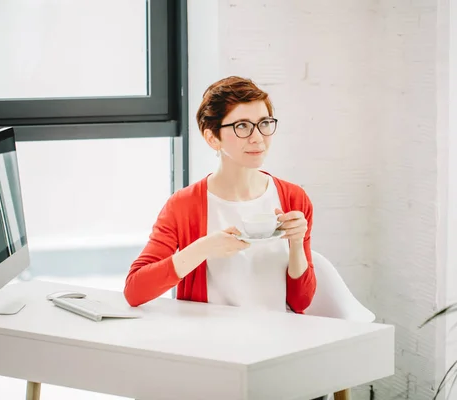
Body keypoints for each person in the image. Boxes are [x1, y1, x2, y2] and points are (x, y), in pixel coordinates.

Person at [123, 76, 316, 314]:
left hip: (278, 340)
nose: (258, 137)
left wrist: (296, 243)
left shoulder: (293, 198)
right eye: (242, 126)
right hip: (210, 344)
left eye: (264, 123)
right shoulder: (183, 205)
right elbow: (134, 291)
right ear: (212, 138)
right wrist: (202, 248)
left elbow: (301, 302)